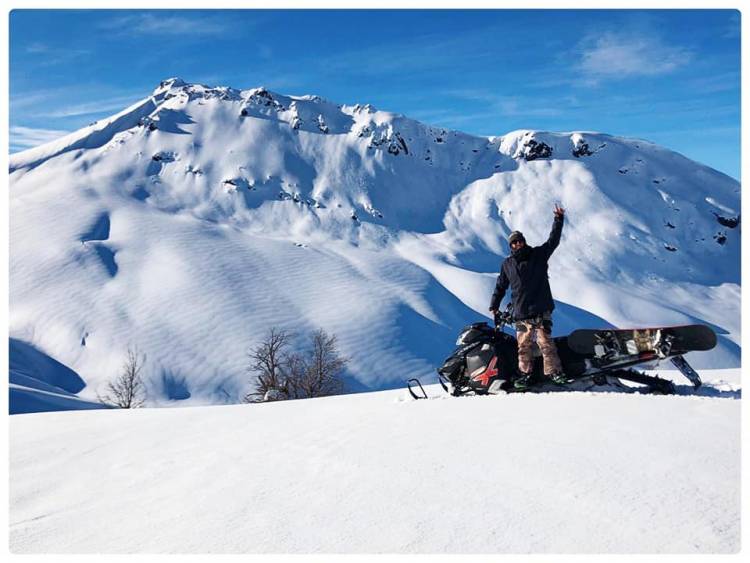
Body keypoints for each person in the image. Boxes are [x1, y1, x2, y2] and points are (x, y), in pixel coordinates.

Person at [489, 204, 567, 390]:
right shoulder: (507, 264)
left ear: (524, 241)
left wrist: (558, 220)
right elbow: (501, 285)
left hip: (541, 308)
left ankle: (555, 373)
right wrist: (494, 305)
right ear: (511, 246)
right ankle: (525, 376)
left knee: (544, 342)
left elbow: (553, 241)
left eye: (519, 241)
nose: (517, 244)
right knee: (523, 347)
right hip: (521, 312)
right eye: (514, 243)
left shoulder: (538, 255)